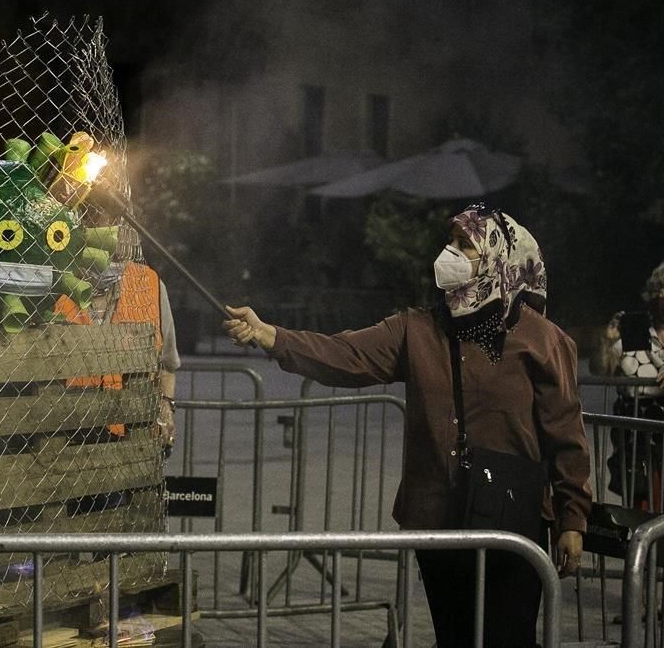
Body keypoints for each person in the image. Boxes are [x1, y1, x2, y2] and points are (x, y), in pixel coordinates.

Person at [224, 205, 590, 648]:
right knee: (454, 636)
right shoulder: (418, 329)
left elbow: (565, 434)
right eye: (449, 241)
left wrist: (573, 517)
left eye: (464, 245)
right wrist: (271, 336)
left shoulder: (542, 340)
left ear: (498, 257)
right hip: (437, 516)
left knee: (507, 636)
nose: (448, 253)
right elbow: (345, 354)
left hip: (512, 521)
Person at [589, 257, 664, 509]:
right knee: (644, 523)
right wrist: (606, 341)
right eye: (657, 291)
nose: (661, 297)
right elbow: (602, 371)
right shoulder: (636, 329)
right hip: (641, 453)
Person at [55, 222, 181, 453]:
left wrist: (165, 406)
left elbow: (167, 366)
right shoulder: (55, 283)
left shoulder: (149, 284)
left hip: (131, 441)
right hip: (65, 438)